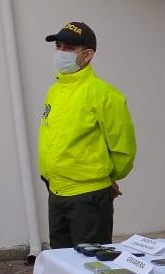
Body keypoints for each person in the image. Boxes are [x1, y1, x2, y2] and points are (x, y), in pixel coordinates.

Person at [38, 21, 137, 250]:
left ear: (87, 55)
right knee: (62, 264)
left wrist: (105, 177)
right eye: (59, 46)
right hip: (56, 192)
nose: (61, 53)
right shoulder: (54, 91)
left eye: (69, 49)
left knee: (90, 267)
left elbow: (123, 148)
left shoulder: (104, 95)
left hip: (88, 198)